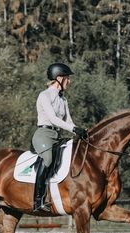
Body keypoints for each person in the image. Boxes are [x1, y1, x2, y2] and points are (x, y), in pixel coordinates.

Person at [32, 62, 87, 212]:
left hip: (57, 135)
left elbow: (68, 121)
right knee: (48, 159)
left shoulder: (63, 100)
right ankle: (38, 201)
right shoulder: (44, 95)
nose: (69, 81)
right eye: (67, 78)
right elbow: (53, 119)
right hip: (43, 135)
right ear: (59, 78)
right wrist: (73, 128)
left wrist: (80, 132)